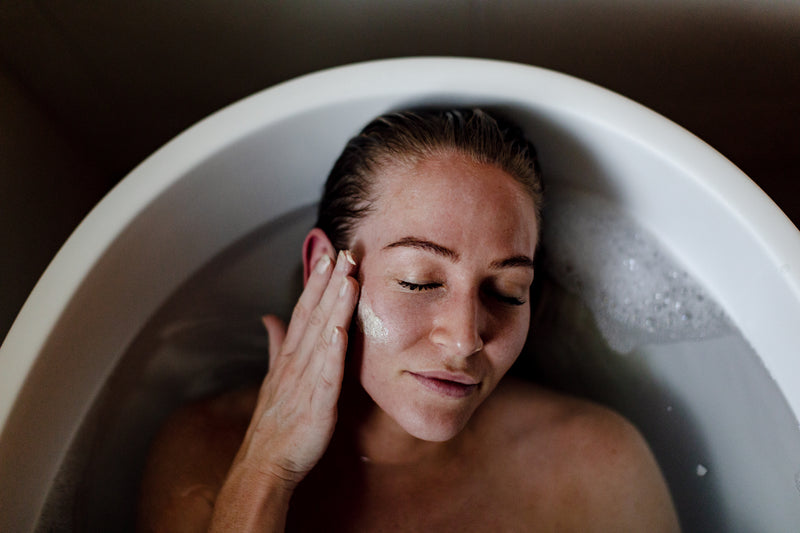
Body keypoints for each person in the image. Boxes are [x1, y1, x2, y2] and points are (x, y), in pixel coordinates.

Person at [138, 109, 681, 532]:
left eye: (506, 290)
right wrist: (266, 471)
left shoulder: (596, 465)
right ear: (321, 269)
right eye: (420, 281)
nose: (466, 338)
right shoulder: (209, 451)